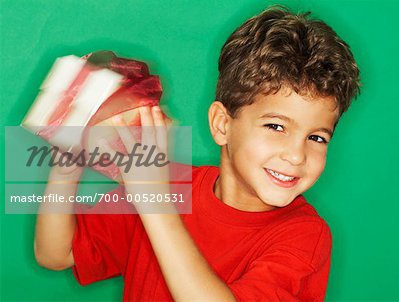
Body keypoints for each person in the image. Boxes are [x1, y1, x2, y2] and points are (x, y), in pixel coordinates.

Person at [34, 6, 360, 301]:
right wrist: (68, 163)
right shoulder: (171, 187)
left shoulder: (304, 235)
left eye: (316, 137)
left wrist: (153, 201)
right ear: (222, 125)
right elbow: (55, 254)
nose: (296, 155)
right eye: (276, 126)